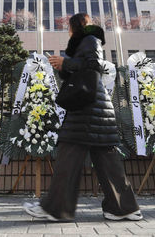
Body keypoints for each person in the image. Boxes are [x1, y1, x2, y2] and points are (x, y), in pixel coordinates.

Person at [23, 13, 141, 222]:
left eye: (69, 27)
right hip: (98, 111)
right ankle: (124, 208)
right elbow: (85, 68)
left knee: (68, 156)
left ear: (76, 26)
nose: (67, 32)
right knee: (108, 162)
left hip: (86, 109)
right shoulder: (89, 40)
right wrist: (64, 66)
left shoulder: (88, 39)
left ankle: (55, 208)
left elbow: (93, 65)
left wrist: (66, 63)